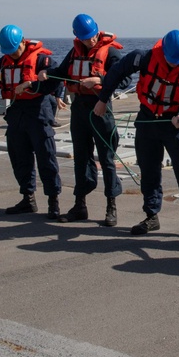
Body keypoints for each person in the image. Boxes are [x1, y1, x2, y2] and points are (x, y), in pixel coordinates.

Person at [94, 30, 179, 238]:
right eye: (171, 61)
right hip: (147, 120)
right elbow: (117, 72)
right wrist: (103, 98)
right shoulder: (142, 58)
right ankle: (151, 216)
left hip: (173, 125)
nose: (174, 65)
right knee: (149, 170)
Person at [41, 14, 125, 226]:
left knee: (106, 158)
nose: (91, 41)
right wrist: (46, 75)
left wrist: (99, 80)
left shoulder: (110, 51)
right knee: (80, 156)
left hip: (100, 107)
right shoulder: (74, 52)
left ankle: (111, 206)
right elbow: (61, 73)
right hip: (79, 108)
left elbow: (124, 78)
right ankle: (80, 205)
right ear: (77, 37)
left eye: (93, 36)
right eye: (86, 38)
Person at [0, 25, 63, 218]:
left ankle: (53, 201)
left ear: (23, 42)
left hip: (38, 110)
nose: (13, 54)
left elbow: (56, 80)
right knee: (19, 157)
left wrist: (31, 84)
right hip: (17, 112)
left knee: (46, 157)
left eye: (15, 49)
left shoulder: (41, 59)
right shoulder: (3, 61)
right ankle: (28, 198)